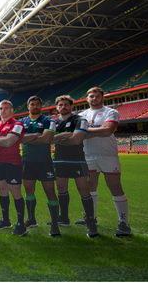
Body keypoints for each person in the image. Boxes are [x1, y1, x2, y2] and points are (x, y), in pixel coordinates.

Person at [80, 87, 131, 237]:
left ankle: (124, 223)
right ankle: (91, 219)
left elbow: (108, 130)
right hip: (87, 155)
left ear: (102, 97)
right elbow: (79, 133)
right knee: (90, 188)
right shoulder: (82, 114)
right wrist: (97, 130)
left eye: (96, 96)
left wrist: (86, 132)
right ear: (87, 98)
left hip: (108, 155)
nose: (93, 98)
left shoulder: (111, 112)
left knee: (115, 187)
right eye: (91, 96)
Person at [52, 95, 98, 238]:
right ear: (57, 107)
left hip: (77, 160)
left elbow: (76, 139)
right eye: (60, 105)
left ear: (72, 106)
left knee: (83, 190)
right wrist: (65, 136)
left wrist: (57, 139)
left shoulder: (80, 120)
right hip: (59, 160)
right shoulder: (53, 122)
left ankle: (91, 223)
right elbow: (48, 139)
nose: (63, 107)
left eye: (66, 104)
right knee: (61, 189)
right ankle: (64, 218)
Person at [19, 96, 60, 236]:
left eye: (37, 104)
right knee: (29, 191)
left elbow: (47, 139)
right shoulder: (21, 121)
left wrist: (27, 138)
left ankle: (55, 225)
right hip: (27, 161)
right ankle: (31, 219)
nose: (35, 106)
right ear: (28, 106)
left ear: (41, 106)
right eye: (32, 104)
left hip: (44, 162)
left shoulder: (50, 120)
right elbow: (17, 138)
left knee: (50, 192)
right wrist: (37, 136)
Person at [0, 100, 27, 236]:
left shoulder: (18, 124)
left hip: (13, 162)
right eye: (1, 108)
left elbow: (9, 141)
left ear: (12, 110)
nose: (3, 111)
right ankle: (5, 220)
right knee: (2, 190)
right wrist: (1, 140)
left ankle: (21, 224)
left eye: (6, 108)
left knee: (15, 191)